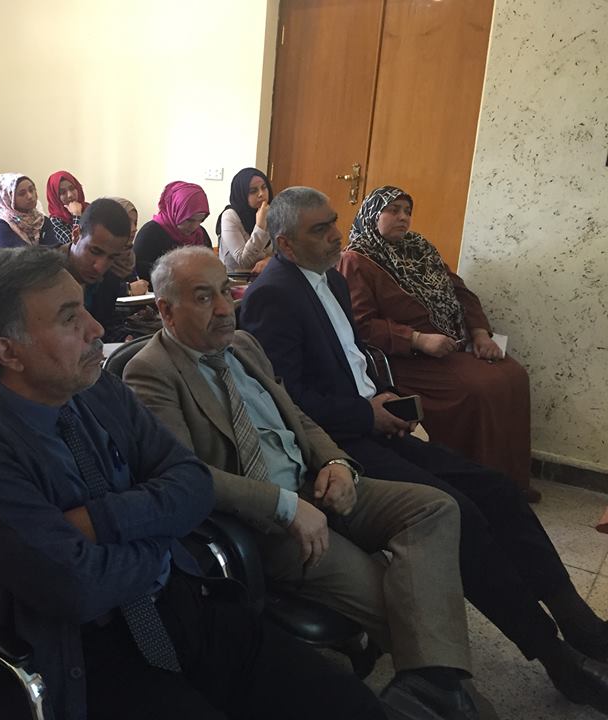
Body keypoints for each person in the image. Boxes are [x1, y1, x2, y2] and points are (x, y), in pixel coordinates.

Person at [0, 244, 385, 720]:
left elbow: (192, 481)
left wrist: (101, 521)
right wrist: (161, 544)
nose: (96, 329)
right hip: (84, 653)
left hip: (181, 605)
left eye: (84, 308)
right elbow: (78, 590)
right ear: (8, 352)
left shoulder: (98, 389)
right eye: (69, 319)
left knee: (352, 707)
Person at [239, 186, 608, 715]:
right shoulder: (272, 294)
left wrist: (382, 395)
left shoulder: (331, 279)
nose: (337, 235)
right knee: (460, 514)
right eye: (320, 229)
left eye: (335, 222)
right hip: (338, 441)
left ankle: (580, 622)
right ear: (285, 244)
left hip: (370, 418)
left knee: (498, 490)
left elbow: (353, 357)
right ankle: (553, 655)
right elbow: (288, 398)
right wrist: (365, 413)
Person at [124, 246, 479, 718]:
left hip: (317, 482)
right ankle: (455, 703)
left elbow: (298, 416)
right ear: (166, 310)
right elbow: (188, 476)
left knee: (436, 507)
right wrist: (286, 506)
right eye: (204, 298)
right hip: (269, 520)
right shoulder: (150, 371)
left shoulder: (245, 345)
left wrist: (337, 463)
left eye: (226, 292)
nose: (226, 308)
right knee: (400, 599)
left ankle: (432, 691)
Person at [337, 186, 536, 500]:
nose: (403, 217)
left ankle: (510, 486)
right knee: (478, 389)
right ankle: (476, 491)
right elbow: (360, 325)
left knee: (513, 376)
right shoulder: (356, 259)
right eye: (393, 210)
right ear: (373, 215)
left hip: (447, 348)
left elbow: (461, 292)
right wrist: (417, 339)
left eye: (407, 211)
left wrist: (480, 333)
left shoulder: (420, 250)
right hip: (404, 358)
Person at [61, 199, 133, 342]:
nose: (100, 267)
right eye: (95, 251)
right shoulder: (44, 275)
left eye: (111, 257)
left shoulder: (111, 276)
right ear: (76, 234)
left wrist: (125, 339)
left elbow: (107, 325)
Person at [134, 180, 212, 282]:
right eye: (189, 220)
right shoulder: (150, 233)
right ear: (174, 210)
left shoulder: (200, 234)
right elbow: (141, 272)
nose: (195, 226)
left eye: (200, 220)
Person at [216, 167, 274, 273]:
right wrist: (260, 227)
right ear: (241, 194)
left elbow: (281, 250)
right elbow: (243, 261)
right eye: (253, 191)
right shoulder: (230, 216)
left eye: (264, 187)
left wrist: (270, 260)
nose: (261, 194)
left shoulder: (270, 211)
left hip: (265, 276)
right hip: (236, 279)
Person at [0, 172, 59, 247]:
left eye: (31, 190)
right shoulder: (1, 225)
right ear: (8, 199)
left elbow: (55, 247)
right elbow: (21, 253)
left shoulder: (41, 220)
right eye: (22, 194)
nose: (30, 196)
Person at [107, 196, 150, 296]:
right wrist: (127, 290)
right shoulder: (100, 255)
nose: (134, 229)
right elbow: (95, 292)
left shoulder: (128, 254)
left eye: (135, 222)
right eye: (127, 222)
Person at [46, 170, 87, 245]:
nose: (70, 195)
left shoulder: (89, 208)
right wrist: (77, 215)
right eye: (63, 192)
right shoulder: (55, 221)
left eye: (72, 188)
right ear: (55, 197)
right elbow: (74, 245)